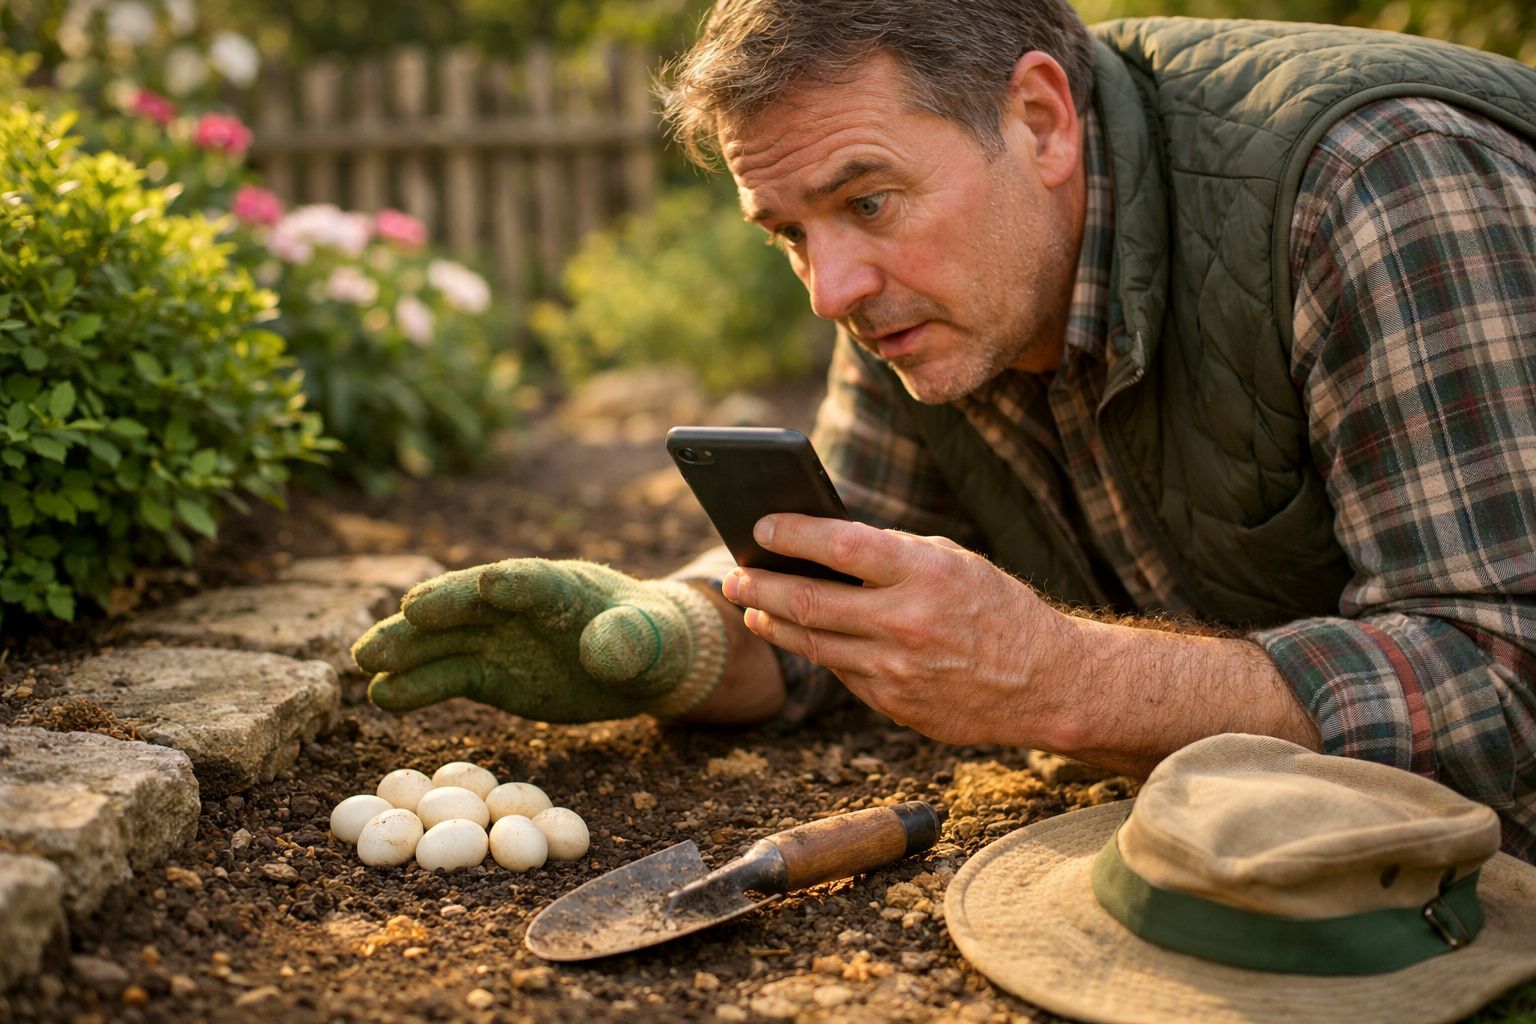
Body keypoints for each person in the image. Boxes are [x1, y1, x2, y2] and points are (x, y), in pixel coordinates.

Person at [352, 0, 1536, 860]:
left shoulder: (1381, 185)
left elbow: (1506, 688)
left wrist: (1062, 677)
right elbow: (862, 591)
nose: (830, 290)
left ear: (1039, 118)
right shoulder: (931, 283)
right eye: (791, 233)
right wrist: (678, 634)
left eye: (866, 201)